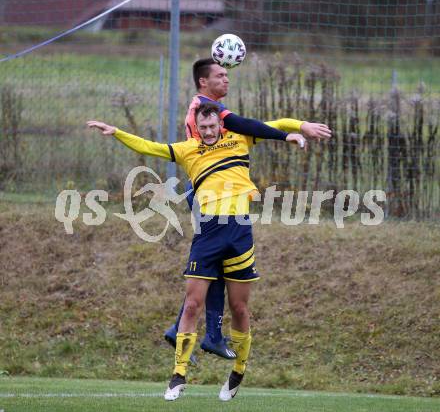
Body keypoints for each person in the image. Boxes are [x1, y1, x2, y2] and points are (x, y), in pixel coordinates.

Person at [87, 102, 327, 401]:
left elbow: (275, 124)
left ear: (221, 125)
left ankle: (239, 368)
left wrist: (300, 126)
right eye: (204, 128)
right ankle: (178, 375)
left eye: (214, 126)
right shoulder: (188, 150)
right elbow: (150, 147)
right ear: (196, 128)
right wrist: (117, 132)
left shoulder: (239, 138)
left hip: (239, 232)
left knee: (239, 308)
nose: (209, 132)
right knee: (191, 305)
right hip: (207, 235)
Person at [164, 58, 332, 361]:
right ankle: (207, 335)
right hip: (208, 195)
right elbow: (247, 125)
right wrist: (287, 134)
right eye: (220, 75)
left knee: (214, 264)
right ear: (203, 82)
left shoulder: (209, 110)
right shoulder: (204, 107)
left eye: (227, 74)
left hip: (209, 194)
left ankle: (185, 330)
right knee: (214, 261)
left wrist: (299, 125)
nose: (227, 79)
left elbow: (262, 125)